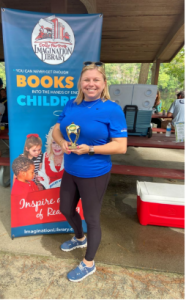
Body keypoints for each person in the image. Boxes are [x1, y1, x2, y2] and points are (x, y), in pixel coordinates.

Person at [52, 61, 127, 282]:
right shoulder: (71, 104)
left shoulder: (111, 109)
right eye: (87, 80)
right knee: (65, 209)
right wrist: (62, 142)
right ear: (80, 83)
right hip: (71, 169)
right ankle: (79, 237)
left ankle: (88, 263)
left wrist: (91, 149)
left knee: (92, 219)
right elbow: (57, 128)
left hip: (95, 173)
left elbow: (121, 146)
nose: (91, 84)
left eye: (96, 80)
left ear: (104, 83)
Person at [38, 125, 64, 189]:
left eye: (60, 143)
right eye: (54, 143)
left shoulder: (70, 156)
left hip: (68, 193)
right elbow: (42, 177)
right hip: (50, 194)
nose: (57, 146)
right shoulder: (45, 156)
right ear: (50, 143)